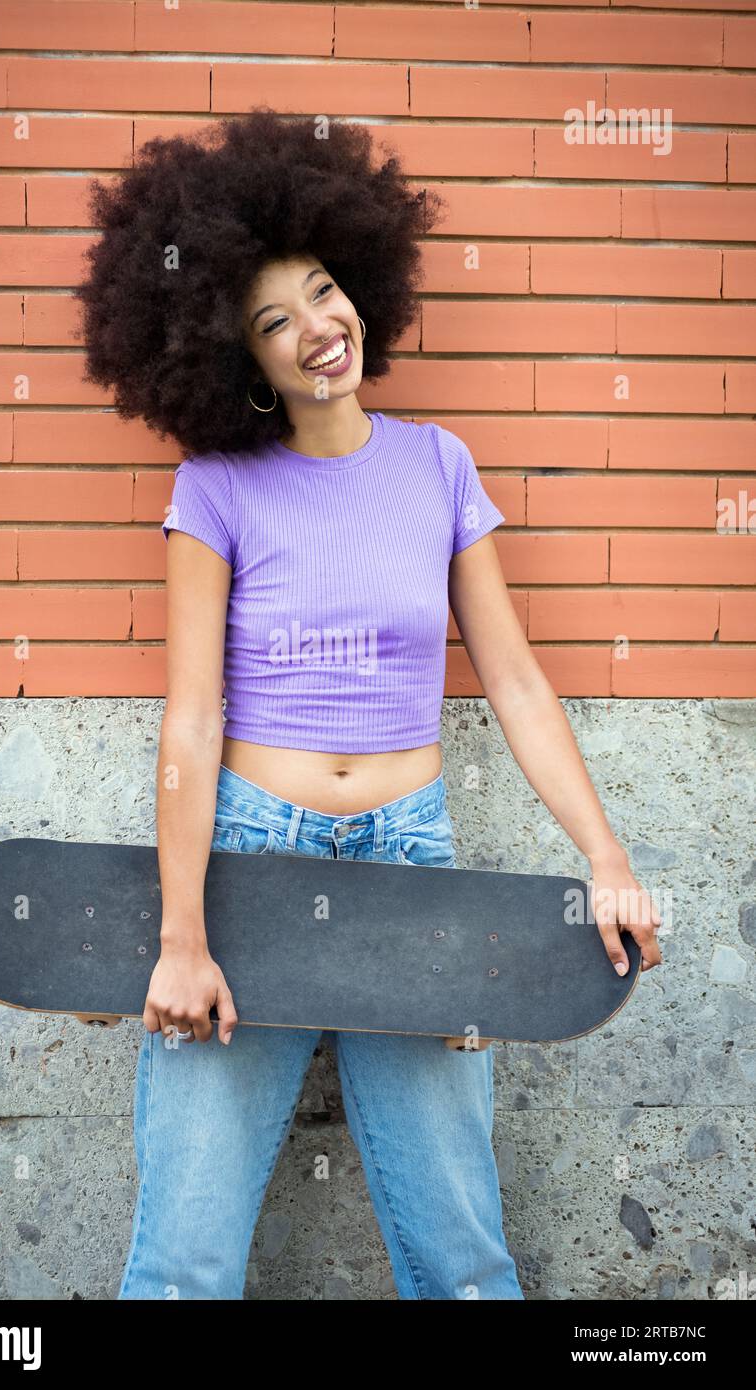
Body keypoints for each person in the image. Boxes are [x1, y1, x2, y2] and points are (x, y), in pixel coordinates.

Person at [74, 108, 662, 1301]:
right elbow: (188, 722)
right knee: (180, 1262)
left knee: (461, 1264)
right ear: (239, 357)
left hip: (410, 858)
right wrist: (182, 934)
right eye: (272, 321)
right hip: (250, 861)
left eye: (325, 292)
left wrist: (603, 853)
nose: (315, 330)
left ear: (364, 288)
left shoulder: (438, 464)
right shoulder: (215, 485)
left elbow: (510, 679)